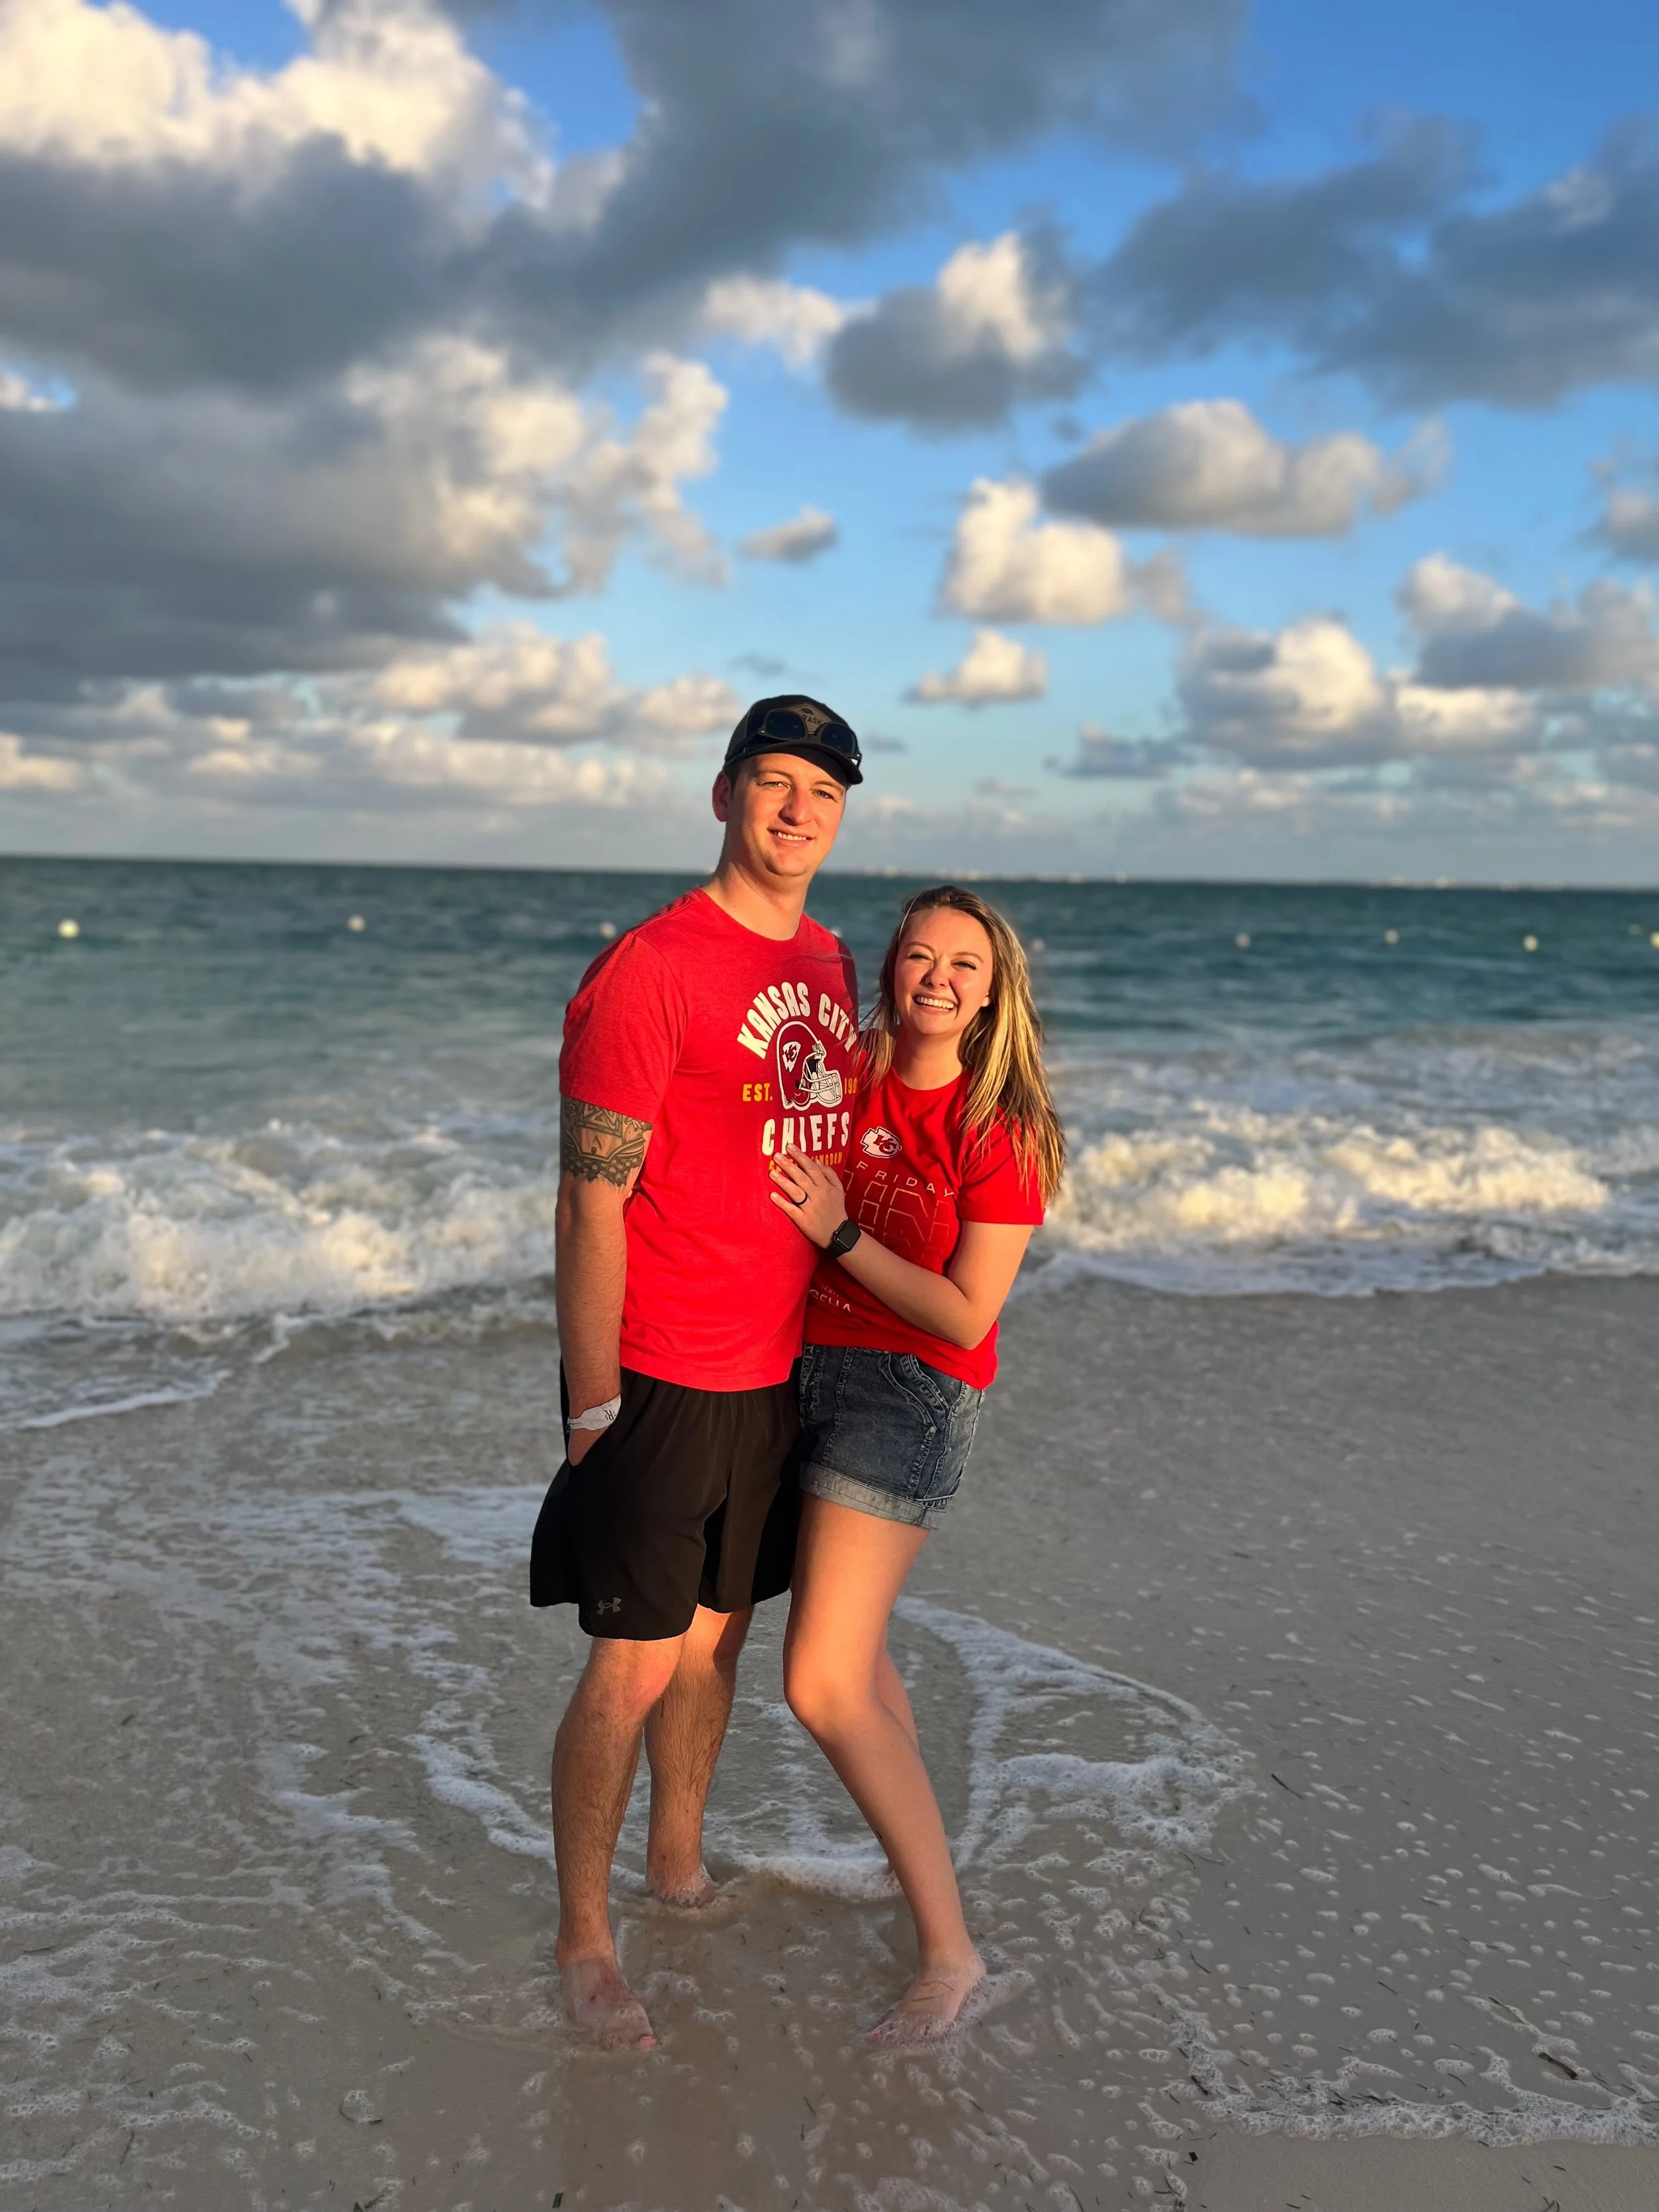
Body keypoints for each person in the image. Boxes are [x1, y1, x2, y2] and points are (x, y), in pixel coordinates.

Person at [531, 696, 863, 2050]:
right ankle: (583, 1939)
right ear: (723, 794)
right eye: (772, 782)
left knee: (719, 1641)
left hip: (779, 1372)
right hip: (661, 1369)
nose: (795, 810)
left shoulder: (832, 960)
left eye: (821, 792)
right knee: (633, 1660)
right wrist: (592, 1402)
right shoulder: (650, 967)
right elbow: (586, 1202)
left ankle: (676, 1864)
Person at [767, 885, 1066, 2045]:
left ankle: (952, 1954)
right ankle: (913, 1862)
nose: (938, 978)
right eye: (920, 956)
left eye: (964, 966)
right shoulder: (852, 1073)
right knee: (861, 1655)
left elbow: (963, 1313)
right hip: (799, 1371)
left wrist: (841, 1233)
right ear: (891, 967)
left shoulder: (1002, 1129)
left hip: (908, 1398)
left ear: (993, 995)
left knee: (820, 1682)